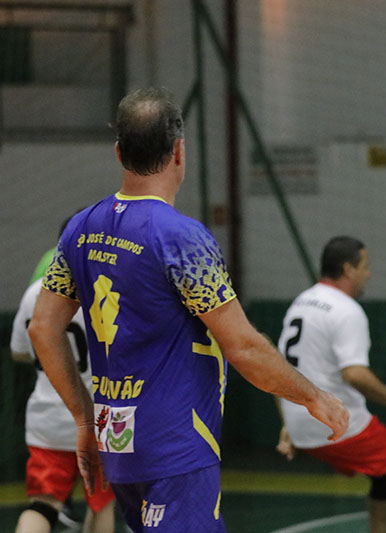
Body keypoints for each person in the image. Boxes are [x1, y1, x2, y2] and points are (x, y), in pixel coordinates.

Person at [27, 87, 349, 532]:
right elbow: (243, 347)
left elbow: (42, 328)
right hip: (174, 445)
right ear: (179, 151)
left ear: (119, 152)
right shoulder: (180, 237)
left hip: (116, 439)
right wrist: (314, 396)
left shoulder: (81, 227)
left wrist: (85, 419)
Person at [275, 235, 386, 533]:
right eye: (365, 266)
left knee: (385, 474)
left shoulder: (301, 302)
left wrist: (288, 422)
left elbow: (279, 369)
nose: (369, 273)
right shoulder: (345, 310)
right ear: (348, 269)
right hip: (333, 423)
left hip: (300, 420)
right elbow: (354, 374)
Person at [11, 276, 116, 533]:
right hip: (98, 418)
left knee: (43, 504)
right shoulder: (104, 289)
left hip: (48, 420)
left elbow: (19, 351)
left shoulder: (35, 291)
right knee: (102, 504)